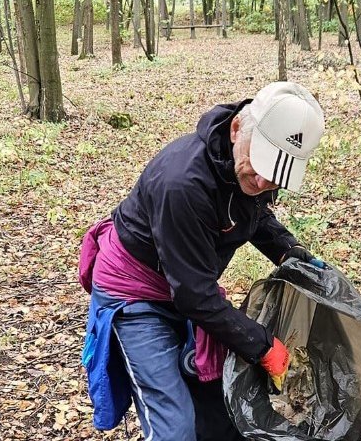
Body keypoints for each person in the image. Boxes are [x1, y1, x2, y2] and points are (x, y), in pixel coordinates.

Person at [78, 82, 325, 440]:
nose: (263, 180)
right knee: (174, 426)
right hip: (135, 295)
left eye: (276, 173)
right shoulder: (182, 184)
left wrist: (288, 250)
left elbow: (251, 213)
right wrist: (263, 346)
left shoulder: (242, 169)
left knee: (218, 406)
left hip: (185, 283)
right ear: (237, 129)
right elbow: (195, 297)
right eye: (260, 164)